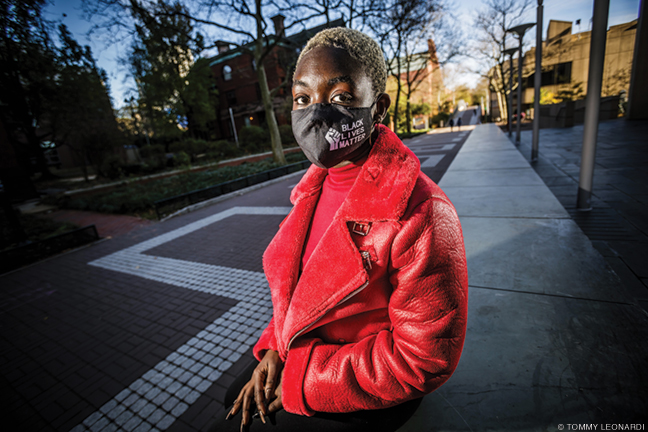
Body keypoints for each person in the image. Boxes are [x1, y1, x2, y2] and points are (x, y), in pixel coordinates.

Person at [216, 27, 468, 432]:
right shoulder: (309, 193)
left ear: (379, 108)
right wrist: (275, 351)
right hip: (306, 354)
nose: (316, 113)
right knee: (232, 398)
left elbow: (422, 359)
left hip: (367, 387)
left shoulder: (422, 213)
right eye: (302, 98)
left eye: (340, 98)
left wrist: (302, 379)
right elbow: (300, 299)